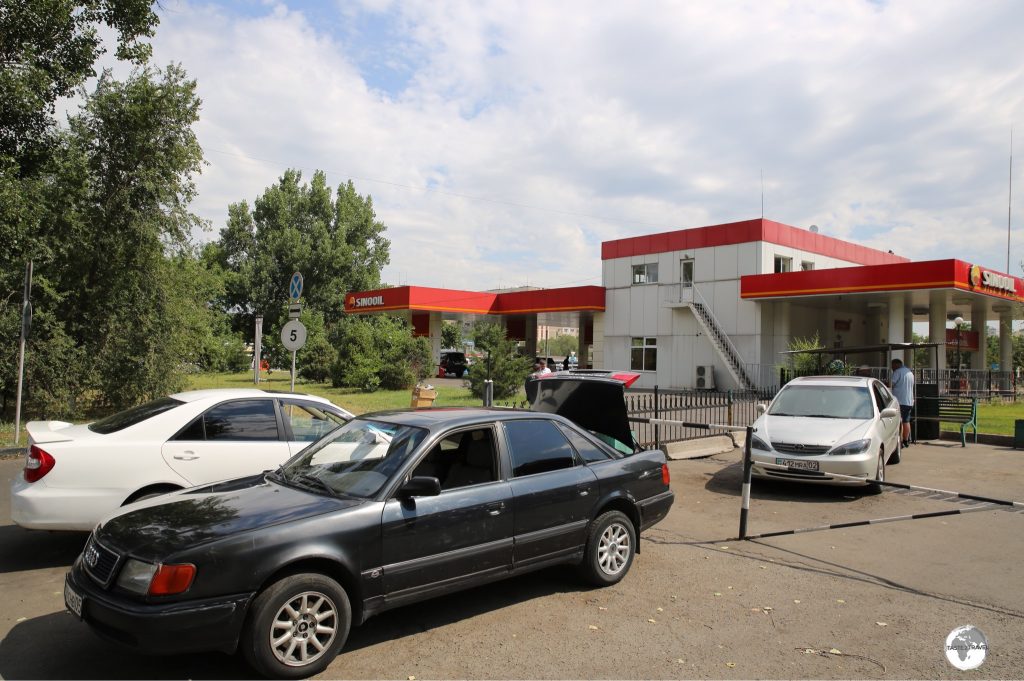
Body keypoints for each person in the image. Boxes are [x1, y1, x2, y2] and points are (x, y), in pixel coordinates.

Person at [890, 358, 915, 448]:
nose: (892, 369)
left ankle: (899, 441)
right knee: (906, 421)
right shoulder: (909, 372)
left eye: (892, 366)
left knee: (898, 421)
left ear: (896, 365)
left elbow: (891, 384)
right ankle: (906, 440)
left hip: (899, 400)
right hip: (909, 401)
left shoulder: (898, 372)